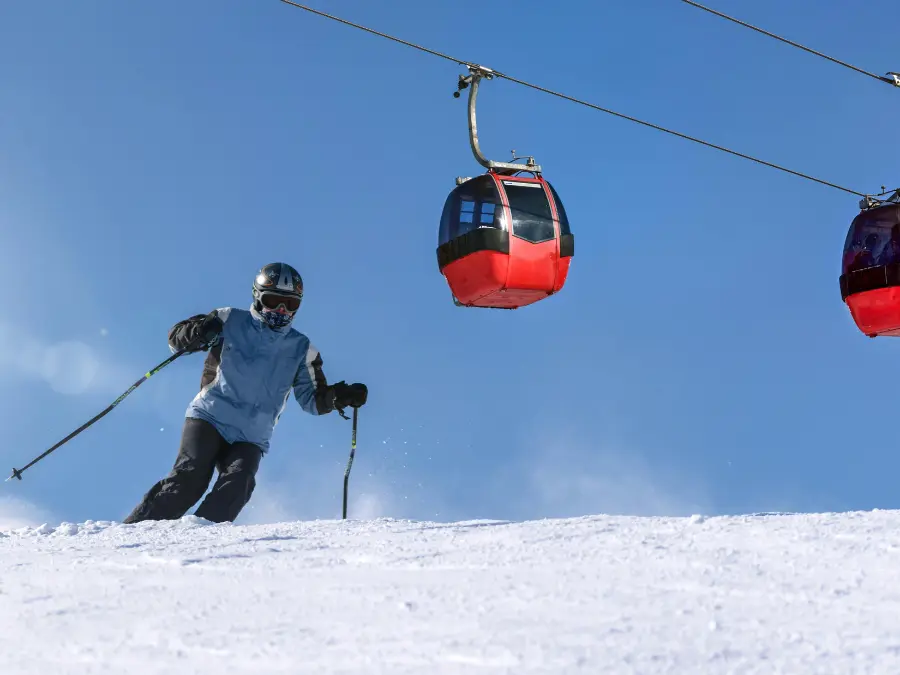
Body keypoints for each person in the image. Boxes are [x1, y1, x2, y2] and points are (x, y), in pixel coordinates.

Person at [123, 262, 368, 524]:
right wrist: (200, 332)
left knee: (238, 484)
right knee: (189, 481)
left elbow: (313, 400)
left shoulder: (301, 349)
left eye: (290, 304)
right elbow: (176, 340)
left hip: (251, 436)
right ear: (258, 297)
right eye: (273, 300)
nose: (281, 310)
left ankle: (199, 539)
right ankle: (134, 533)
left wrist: (340, 396)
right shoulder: (229, 319)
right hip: (210, 417)